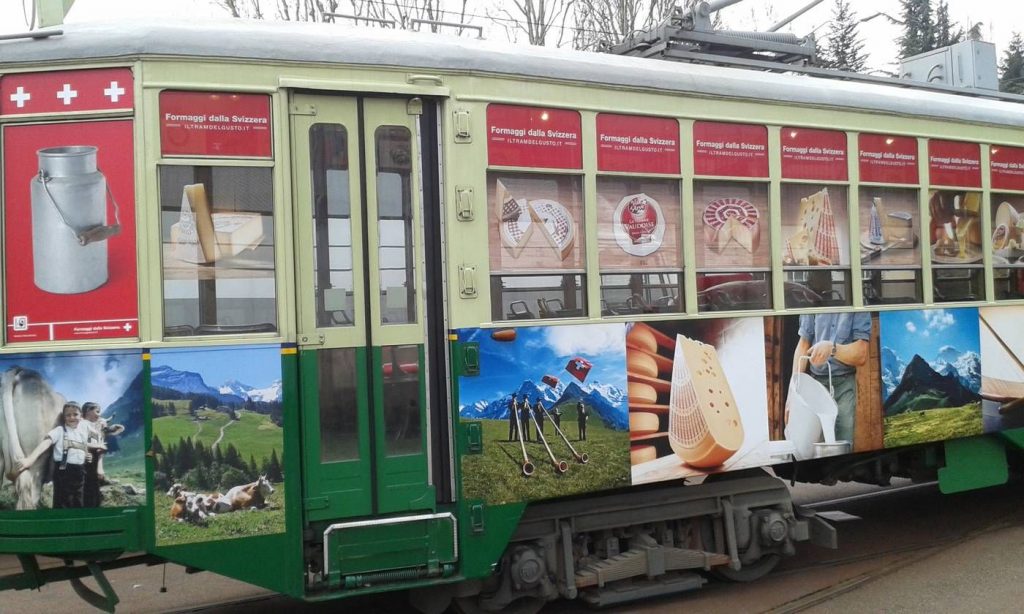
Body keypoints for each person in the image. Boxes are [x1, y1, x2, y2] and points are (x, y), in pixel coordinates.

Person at [792, 312, 870, 445]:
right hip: (816, 385)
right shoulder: (811, 301)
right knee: (814, 441)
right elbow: (804, 343)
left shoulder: (857, 304)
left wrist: (832, 349)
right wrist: (792, 394)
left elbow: (861, 354)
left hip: (844, 385)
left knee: (843, 440)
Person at [13, 402, 105, 509]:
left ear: (81, 416)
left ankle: (76, 518)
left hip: (79, 472)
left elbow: (83, 446)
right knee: (62, 502)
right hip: (64, 472)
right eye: (68, 415)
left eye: (75, 414)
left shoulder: (82, 433)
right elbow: (46, 443)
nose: (72, 417)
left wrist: (86, 455)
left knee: (78, 500)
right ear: (64, 417)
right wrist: (30, 459)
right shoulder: (59, 431)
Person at [82, 402, 124, 508]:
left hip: (91, 462)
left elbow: (100, 448)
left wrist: (100, 468)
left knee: (92, 489)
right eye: (97, 412)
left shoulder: (98, 426)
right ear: (87, 411)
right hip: (80, 461)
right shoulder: (81, 425)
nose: (99, 415)